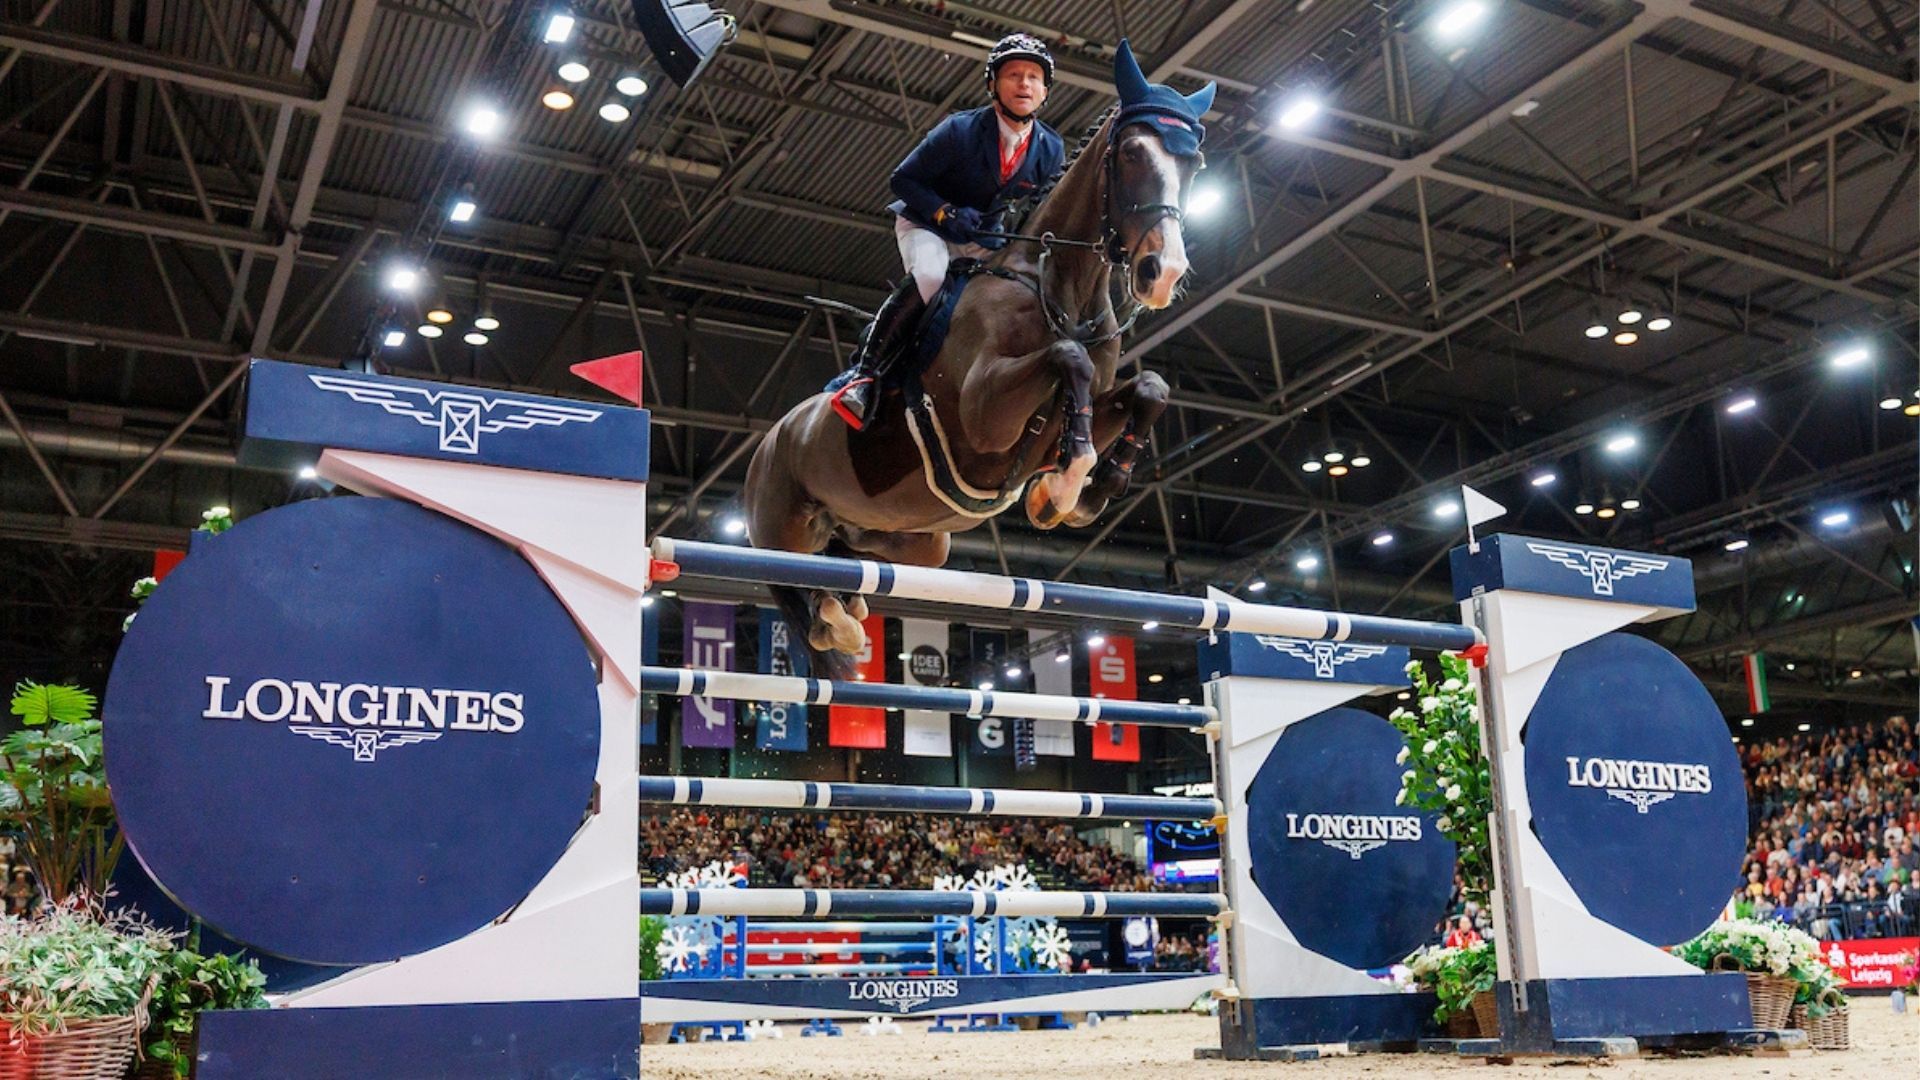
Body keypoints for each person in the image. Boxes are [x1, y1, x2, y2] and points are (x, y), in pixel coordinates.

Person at [832, 33, 1067, 430]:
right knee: (930, 277)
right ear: (993, 84)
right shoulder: (960, 130)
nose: (1024, 84)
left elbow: (1040, 208)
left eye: (1033, 77)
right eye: (1013, 75)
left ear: (1045, 91)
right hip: (927, 224)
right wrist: (944, 213)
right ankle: (864, 376)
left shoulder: (1050, 148)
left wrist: (1007, 233)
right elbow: (902, 179)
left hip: (982, 237)